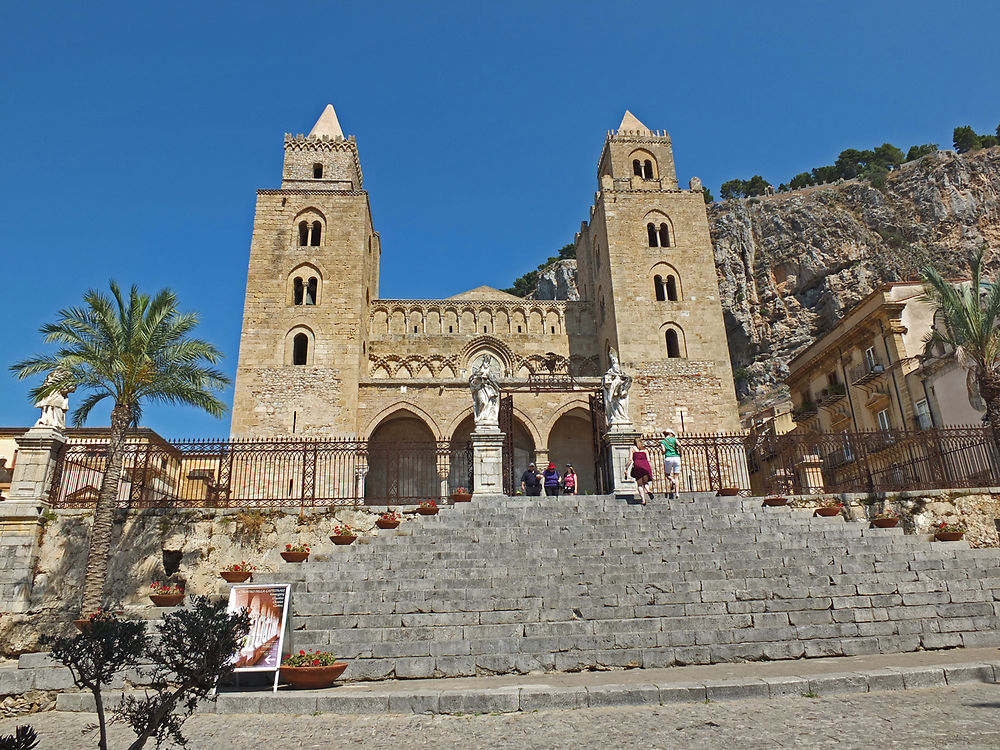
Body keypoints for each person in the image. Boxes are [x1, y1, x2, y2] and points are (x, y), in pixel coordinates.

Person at [623, 437, 653, 505]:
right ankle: (648, 490)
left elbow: (630, 459)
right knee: (645, 482)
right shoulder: (645, 449)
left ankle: (643, 500)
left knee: (639, 484)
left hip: (637, 465)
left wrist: (626, 468)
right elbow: (648, 460)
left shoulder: (632, 449)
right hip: (645, 465)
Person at [659, 429, 681, 499]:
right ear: (670, 434)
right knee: (677, 476)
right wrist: (679, 452)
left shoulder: (663, 441)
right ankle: (677, 493)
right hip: (676, 457)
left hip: (668, 458)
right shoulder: (674, 439)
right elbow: (680, 445)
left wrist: (662, 451)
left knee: (667, 474)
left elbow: (663, 451)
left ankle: (672, 480)